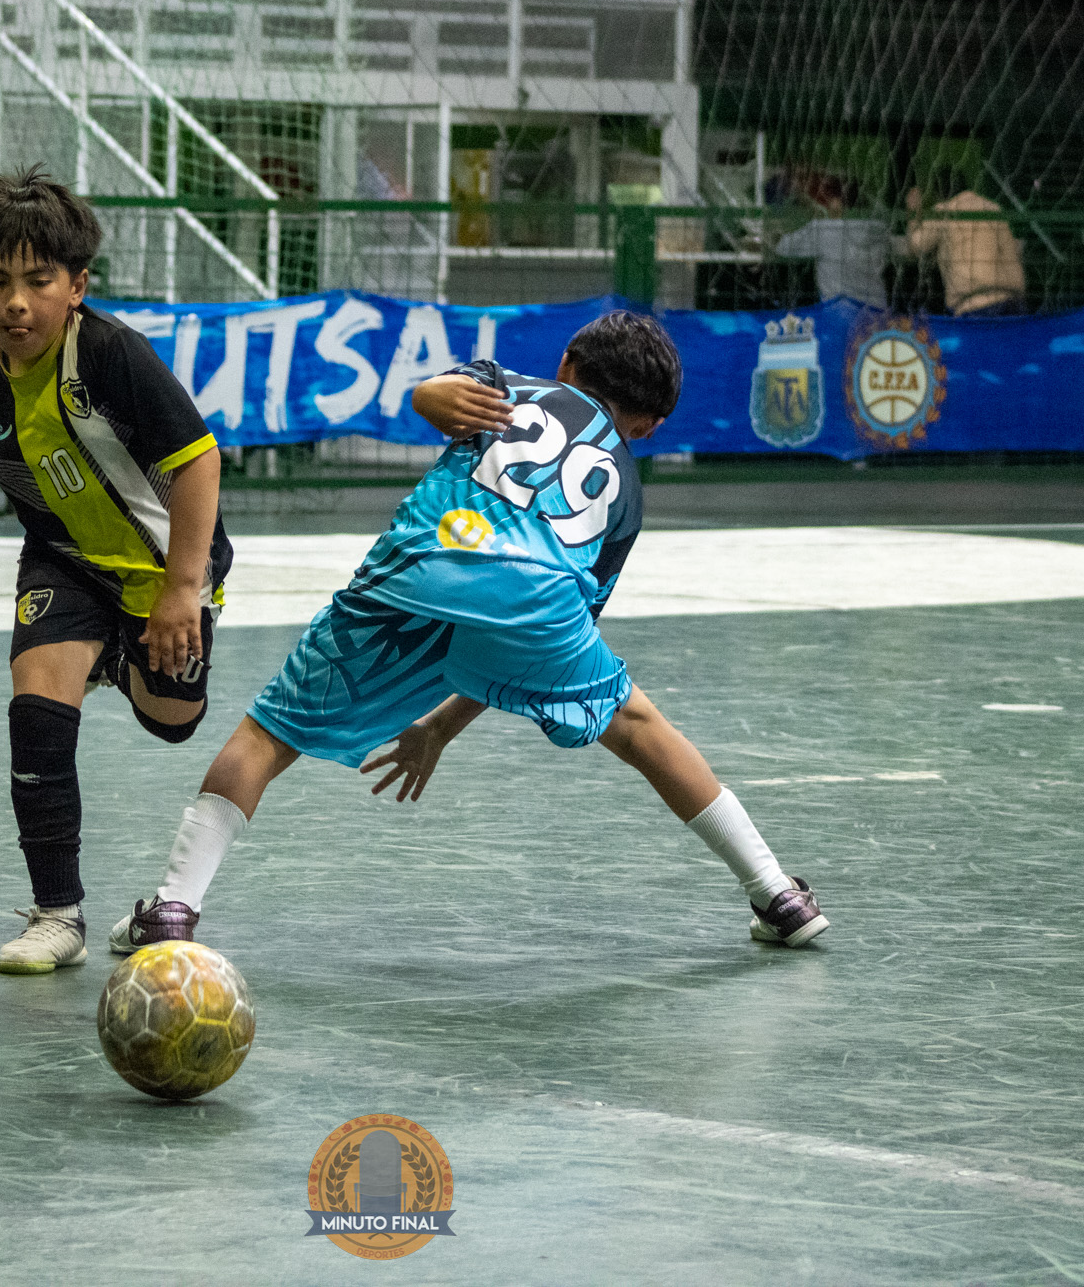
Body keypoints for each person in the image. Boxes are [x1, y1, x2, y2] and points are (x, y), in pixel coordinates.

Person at [110, 311, 829, 958]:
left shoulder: (507, 384)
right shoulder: (626, 493)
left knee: (268, 735)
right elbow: (527, 629)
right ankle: (777, 893)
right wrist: (443, 726)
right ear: (647, 426)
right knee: (637, 724)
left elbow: (435, 392)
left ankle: (173, 906)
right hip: (541, 603)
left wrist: (430, 396)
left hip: (417, 570)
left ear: (569, 364)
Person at [0, 166, 232, 975]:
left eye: (37, 280)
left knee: (173, 719)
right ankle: (57, 913)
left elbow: (198, 462)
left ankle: (124, 662)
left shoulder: (112, 356)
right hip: (62, 561)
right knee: (35, 707)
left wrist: (182, 591)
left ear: (77, 285)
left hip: (168, 566)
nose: (15, 301)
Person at [903, 177, 1026, 316]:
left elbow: (916, 246)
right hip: (1010, 300)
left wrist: (913, 213)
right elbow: (1012, 254)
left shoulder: (943, 211)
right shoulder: (993, 208)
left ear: (939, 195)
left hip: (971, 305)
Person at [774, 175, 893, 309]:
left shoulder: (825, 229)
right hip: (877, 310)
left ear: (837, 202)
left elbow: (782, 248)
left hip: (839, 312)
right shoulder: (879, 229)